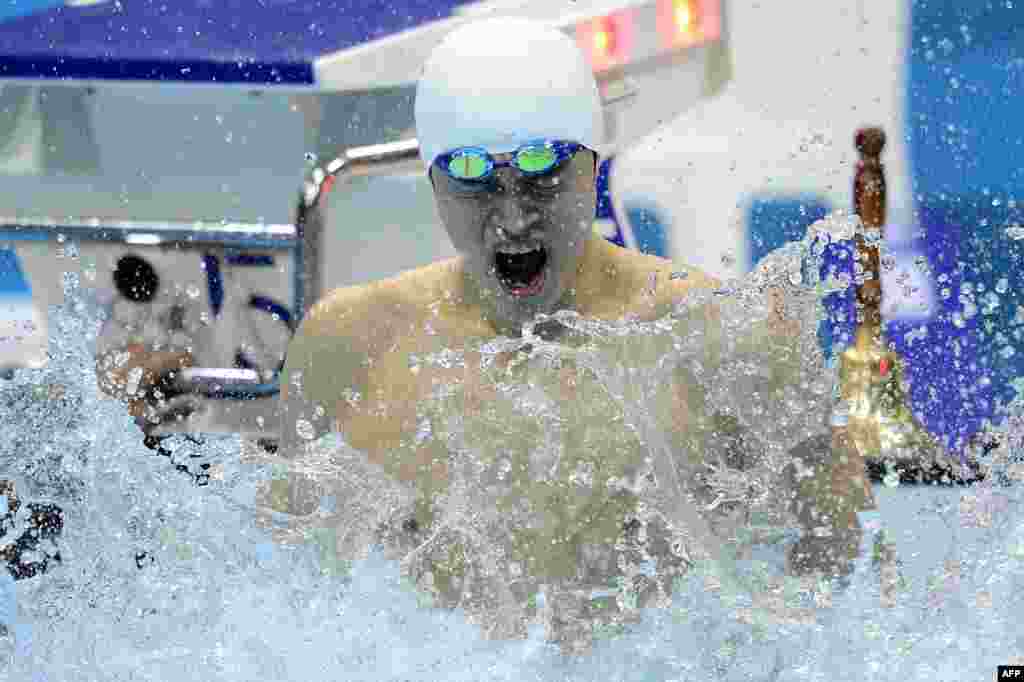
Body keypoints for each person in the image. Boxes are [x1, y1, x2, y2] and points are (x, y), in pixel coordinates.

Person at [265, 17, 879, 652]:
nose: (513, 216)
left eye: (543, 173)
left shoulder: (720, 336)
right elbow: (285, 604)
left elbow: (860, 593)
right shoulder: (349, 346)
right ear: (433, 183)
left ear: (592, 164)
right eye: (474, 179)